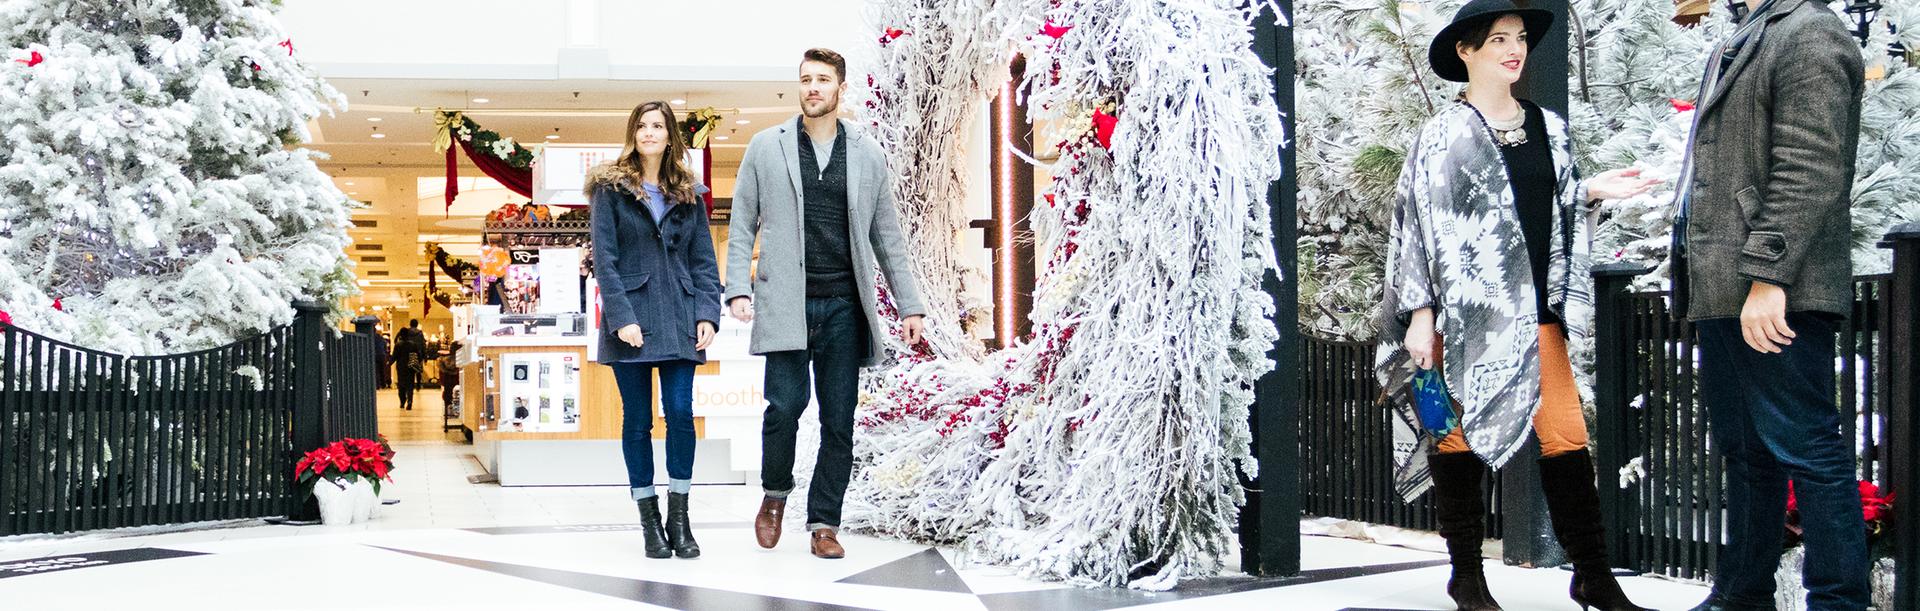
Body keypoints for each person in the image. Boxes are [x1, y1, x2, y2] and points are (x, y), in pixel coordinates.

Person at [1374, 1, 1662, 609]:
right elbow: (1417, 230)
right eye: (1499, 39)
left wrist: (1590, 191)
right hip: (1458, 319)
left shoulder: (1548, 127)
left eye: (1521, 38)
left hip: (1536, 315)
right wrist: (1420, 317)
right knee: (1453, 438)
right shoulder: (1438, 137)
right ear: (1465, 50)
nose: (1515, 49)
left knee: (1565, 437)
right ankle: (1468, 577)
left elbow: (1550, 213)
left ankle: (1592, 575)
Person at [1669, 0, 1868, 608]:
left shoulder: (1809, 32)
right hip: (1728, 286)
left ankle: (1838, 603)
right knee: (1748, 455)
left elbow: (1811, 165)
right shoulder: (1756, 30)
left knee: (1808, 450)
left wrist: (1768, 276)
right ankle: (1741, 597)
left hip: (1775, 290)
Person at [724, 47, 927, 560]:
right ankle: (774, 495)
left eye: (822, 80)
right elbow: (742, 222)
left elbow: (888, 236)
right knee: (785, 407)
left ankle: (823, 522)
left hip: (843, 305)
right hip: (786, 301)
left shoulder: (866, 153)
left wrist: (910, 305)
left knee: (839, 418)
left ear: (840, 88)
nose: (812, 88)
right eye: (805, 79)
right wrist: (738, 288)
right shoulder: (765, 147)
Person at [587, 99, 722, 561]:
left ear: (670, 136)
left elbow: (704, 260)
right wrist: (622, 318)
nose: (648, 133)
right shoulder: (610, 188)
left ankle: (679, 516)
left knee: (681, 414)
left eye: (657, 126)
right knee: (638, 420)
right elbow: (605, 259)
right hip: (632, 320)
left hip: (681, 318)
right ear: (633, 133)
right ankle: (649, 520)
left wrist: (708, 313)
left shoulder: (689, 191)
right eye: (641, 125)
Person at [393, 320, 426, 411]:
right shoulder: (418, 336)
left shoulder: (400, 340)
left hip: (401, 365)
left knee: (401, 384)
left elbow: (395, 353)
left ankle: (402, 401)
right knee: (411, 382)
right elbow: (422, 348)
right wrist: (422, 358)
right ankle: (412, 396)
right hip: (413, 361)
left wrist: (390, 362)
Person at [439, 341, 462, 418]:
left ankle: (448, 410)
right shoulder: (461, 362)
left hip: (447, 385)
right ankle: (458, 411)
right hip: (458, 384)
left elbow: (442, 380)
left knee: (448, 394)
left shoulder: (443, 361)